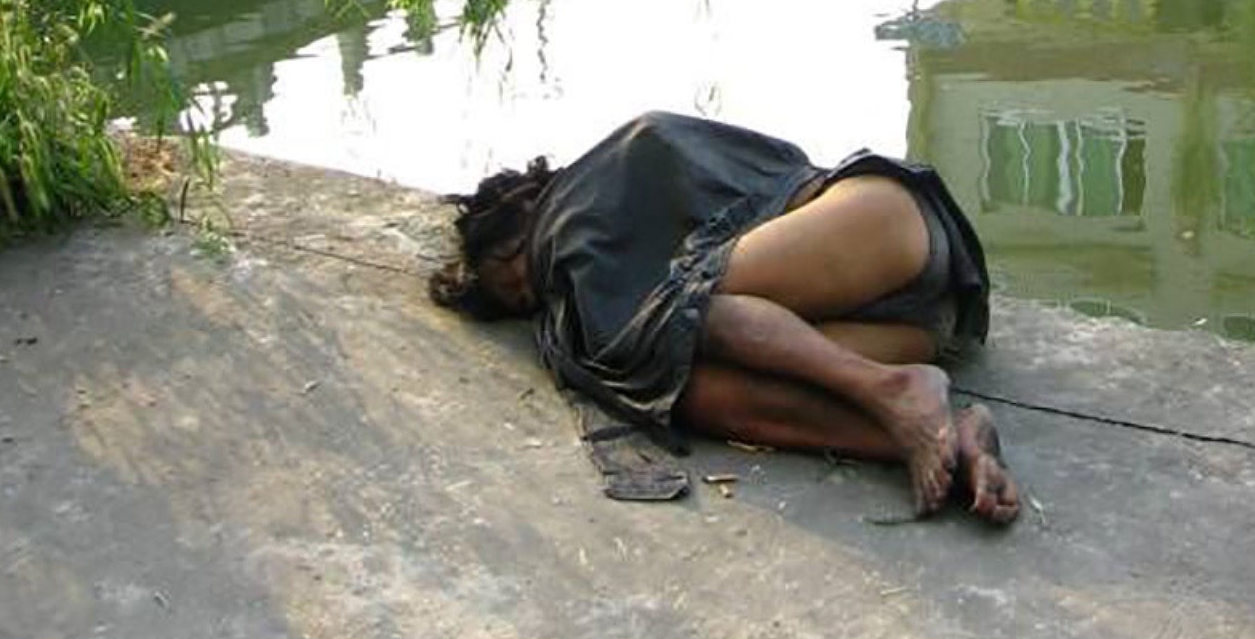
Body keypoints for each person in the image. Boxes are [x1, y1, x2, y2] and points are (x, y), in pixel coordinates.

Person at [430, 109, 1020, 524]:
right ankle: (947, 438)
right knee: (689, 389)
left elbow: (652, 307)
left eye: (521, 276)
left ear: (522, 223)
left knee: (685, 312)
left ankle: (895, 391)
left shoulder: (591, 187)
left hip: (882, 228)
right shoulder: (608, 266)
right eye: (526, 302)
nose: (540, 296)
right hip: (910, 328)